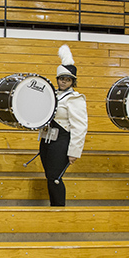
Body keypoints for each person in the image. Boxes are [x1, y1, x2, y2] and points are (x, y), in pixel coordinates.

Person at [38, 45, 88, 207]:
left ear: (73, 81)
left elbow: (80, 127)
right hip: (47, 141)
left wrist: (74, 152)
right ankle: (54, 208)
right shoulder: (52, 94)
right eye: (61, 78)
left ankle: (59, 209)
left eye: (68, 79)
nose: (64, 82)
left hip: (61, 142)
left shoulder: (75, 98)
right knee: (49, 176)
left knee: (55, 177)